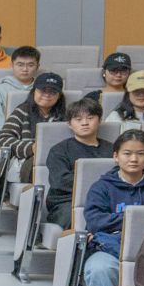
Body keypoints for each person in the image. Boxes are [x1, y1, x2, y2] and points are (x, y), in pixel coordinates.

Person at [81, 130, 144, 286]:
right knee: (99, 270)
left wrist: (119, 220)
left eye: (140, 154)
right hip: (109, 249)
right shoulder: (101, 187)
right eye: (127, 153)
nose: (133, 159)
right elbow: (95, 222)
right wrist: (139, 219)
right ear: (116, 156)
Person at [44, 96, 109, 228]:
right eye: (78, 119)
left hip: (106, 200)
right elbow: (60, 181)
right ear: (69, 124)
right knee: (77, 218)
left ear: (100, 120)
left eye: (90, 118)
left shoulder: (112, 149)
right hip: (67, 202)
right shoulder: (59, 150)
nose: (84, 123)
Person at [0, 70, 68, 180]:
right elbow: (3, 139)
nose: (47, 95)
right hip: (28, 160)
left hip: (59, 160)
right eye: (43, 90)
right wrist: (31, 148)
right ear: (34, 91)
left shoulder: (66, 116)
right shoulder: (22, 111)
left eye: (52, 92)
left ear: (59, 96)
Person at [0, 46, 42, 142]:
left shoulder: (43, 91)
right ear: (12, 65)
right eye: (20, 65)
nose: (25, 69)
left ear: (37, 67)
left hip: (36, 137)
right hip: (3, 135)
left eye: (30, 65)